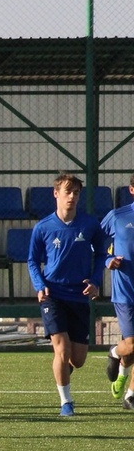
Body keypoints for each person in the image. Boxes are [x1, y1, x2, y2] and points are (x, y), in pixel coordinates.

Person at [27, 174, 107, 417]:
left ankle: (63, 368)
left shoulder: (90, 224)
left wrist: (95, 281)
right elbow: (32, 260)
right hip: (53, 295)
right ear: (56, 194)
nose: (72, 196)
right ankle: (66, 402)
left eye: (76, 193)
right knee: (61, 350)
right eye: (67, 191)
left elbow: (102, 255)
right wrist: (39, 285)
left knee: (78, 359)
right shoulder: (43, 227)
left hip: (79, 296)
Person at [102, 173, 134, 406]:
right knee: (130, 345)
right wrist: (108, 260)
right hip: (125, 292)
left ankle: (130, 394)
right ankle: (115, 352)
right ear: (132, 190)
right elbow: (96, 243)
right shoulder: (117, 216)